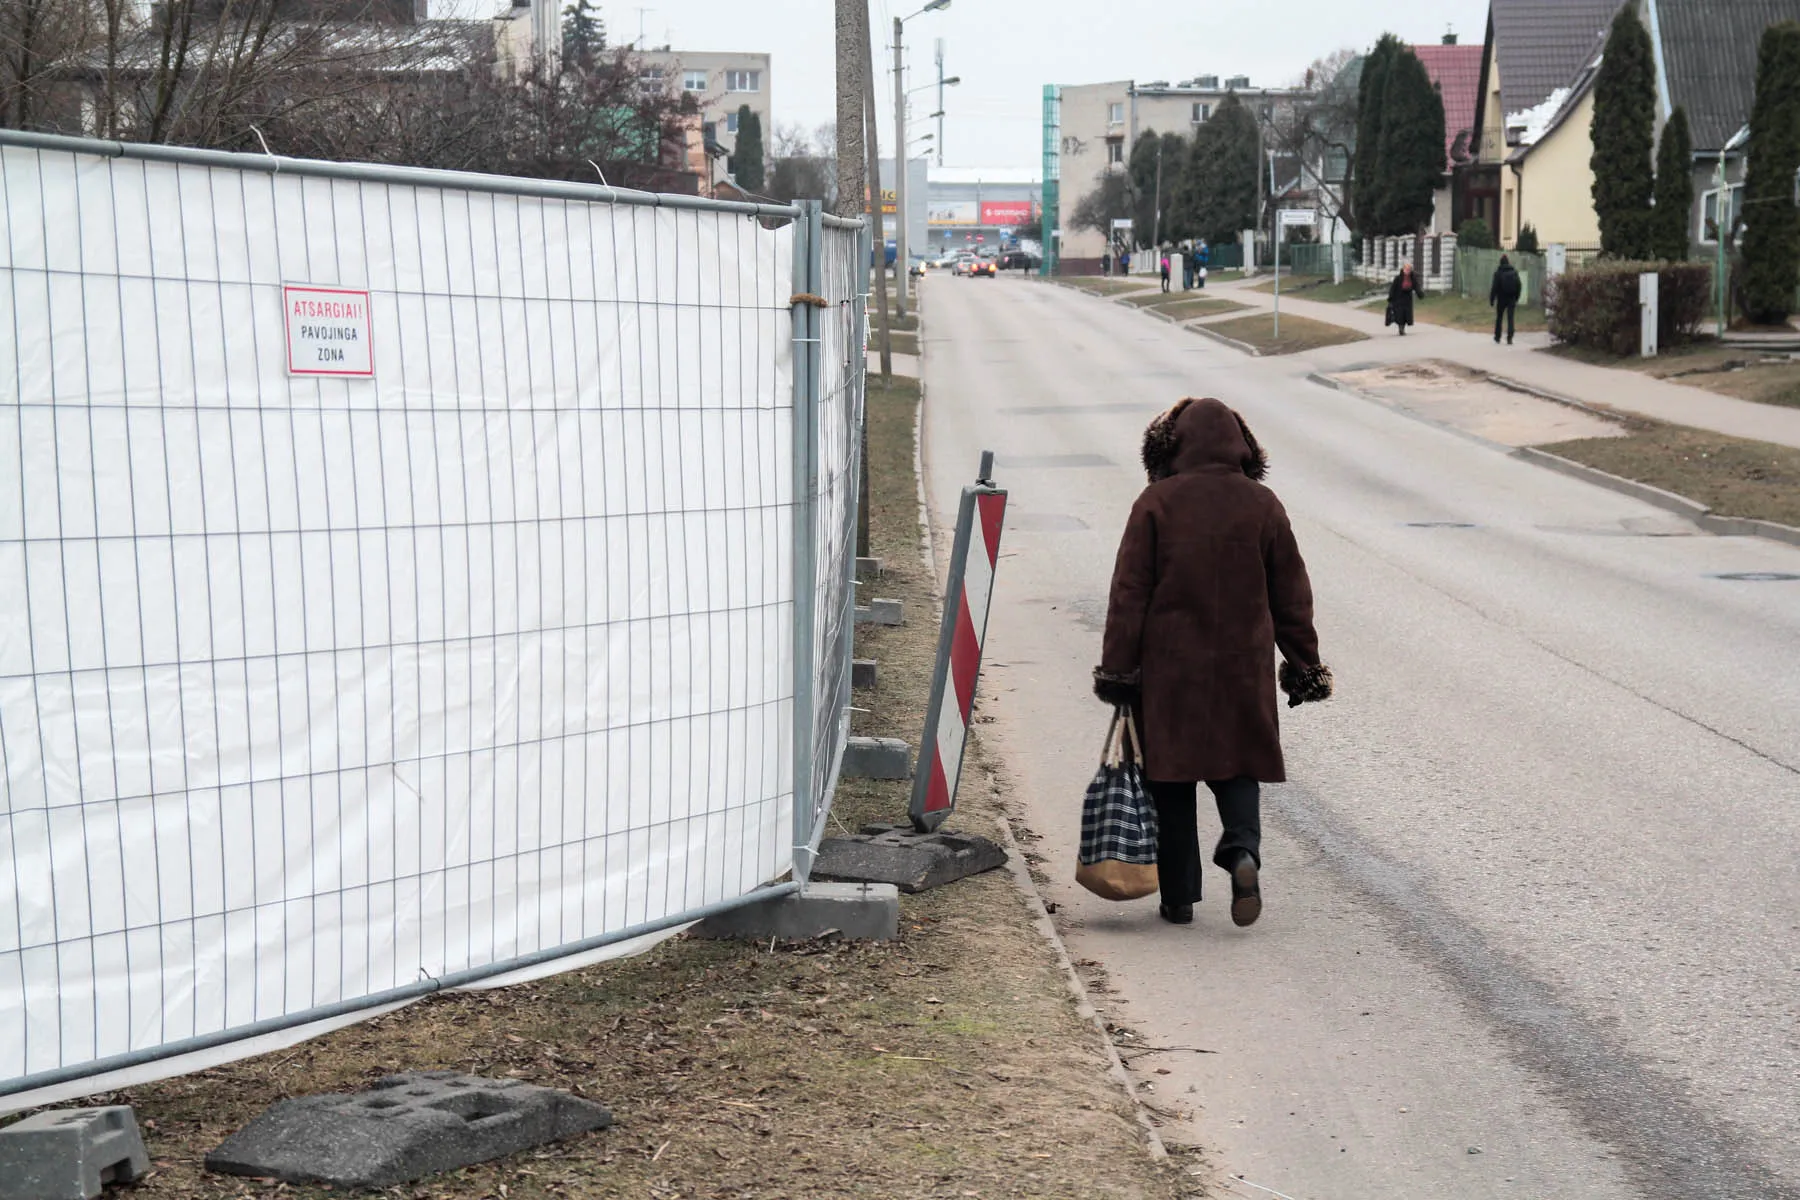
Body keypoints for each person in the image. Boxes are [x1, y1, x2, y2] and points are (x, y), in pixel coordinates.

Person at [1093, 398, 1333, 928]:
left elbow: (1129, 593)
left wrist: (1117, 669)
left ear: (1171, 447)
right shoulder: (1263, 505)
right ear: (1241, 447)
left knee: (1171, 778)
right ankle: (1243, 852)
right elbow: (1291, 595)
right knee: (1239, 767)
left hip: (1170, 666)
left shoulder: (1156, 502)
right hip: (1241, 665)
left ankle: (1179, 898)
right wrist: (1304, 662)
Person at [1489, 254, 1522, 344]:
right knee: (1510, 318)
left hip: (1501, 298)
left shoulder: (1498, 273)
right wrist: (1517, 297)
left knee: (1499, 317)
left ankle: (1497, 336)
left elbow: (1494, 287)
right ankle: (1510, 337)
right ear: (1508, 262)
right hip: (1511, 298)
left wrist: (1492, 299)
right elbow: (1519, 285)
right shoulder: (1514, 272)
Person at [1386, 263, 1420, 336]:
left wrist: (1420, 294)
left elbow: (1416, 287)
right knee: (1399, 315)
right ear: (1403, 269)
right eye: (1406, 269)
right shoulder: (1398, 278)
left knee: (1406, 315)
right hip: (1398, 298)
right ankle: (1401, 329)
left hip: (1407, 299)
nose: (1408, 271)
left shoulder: (1412, 278)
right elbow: (1393, 288)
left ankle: (1402, 328)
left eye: (1409, 269)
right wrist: (1390, 297)